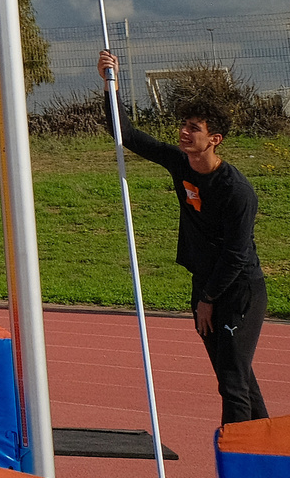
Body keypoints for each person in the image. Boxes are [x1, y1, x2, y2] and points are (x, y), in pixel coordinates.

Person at [99, 49, 268, 425]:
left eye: (195, 128)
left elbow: (237, 255)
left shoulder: (236, 191)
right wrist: (109, 83)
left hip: (238, 290)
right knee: (239, 380)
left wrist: (208, 299)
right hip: (204, 284)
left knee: (232, 384)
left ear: (215, 139)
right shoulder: (180, 162)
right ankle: (270, 460)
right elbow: (125, 134)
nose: (184, 132)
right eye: (184, 124)